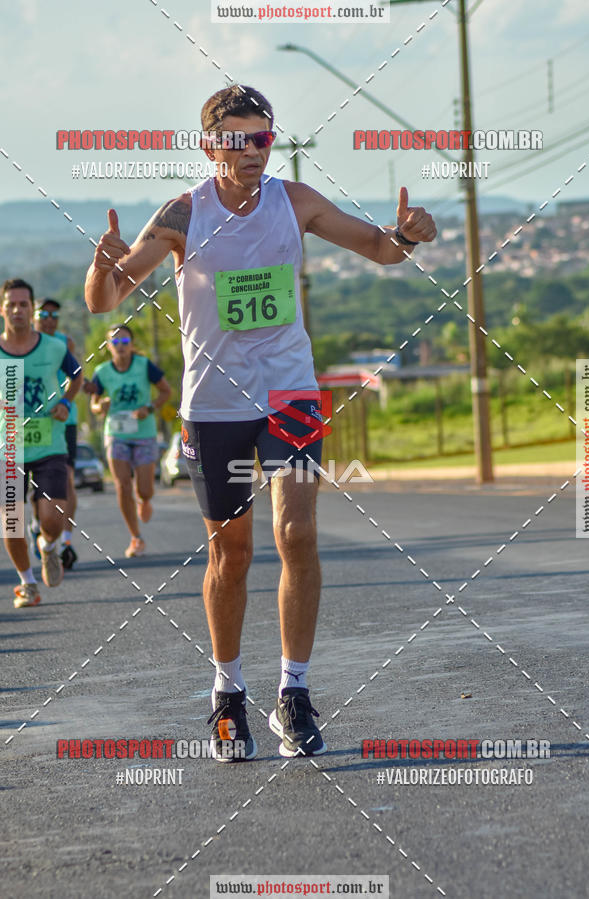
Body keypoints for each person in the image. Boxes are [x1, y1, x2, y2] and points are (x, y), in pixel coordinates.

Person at [84, 84, 436, 761]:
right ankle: (226, 693)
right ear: (210, 144)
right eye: (239, 140)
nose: (253, 153)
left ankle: (294, 693)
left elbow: (381, 248)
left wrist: (411, 236)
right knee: (231, 553)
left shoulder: (294, 201)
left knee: (297, 531)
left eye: (264, 139)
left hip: (290, 390)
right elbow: (107, 299)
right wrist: (100, 268)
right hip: (214, 402)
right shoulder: (184, 213)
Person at [0, 279, 82, 607]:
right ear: (2, 309)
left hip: (49, 445)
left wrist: (66, 402)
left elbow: (77, 377)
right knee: (11, 521)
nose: (17, 310)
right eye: (11, 304)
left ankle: (49, 547)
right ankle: (28, 584)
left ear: (30, 309)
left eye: (23, 304)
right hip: (9, 449)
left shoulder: (53, 348)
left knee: (51, 519)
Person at [89, 324, 171, 558]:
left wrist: (150, 407)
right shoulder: (102, 371)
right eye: (115, 343)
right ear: (108, 347)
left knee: (145, 490)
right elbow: (94, 404)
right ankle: (136, 537)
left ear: (132, 345)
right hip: (116, 433)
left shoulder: (144, 366)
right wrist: (99, 406)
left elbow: (166, 392)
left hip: (144, 433)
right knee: (122, 485)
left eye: (125, 342)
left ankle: (144, 500)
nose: (121, 347)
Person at [31, 298, 80, 570]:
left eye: (54, 314)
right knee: (26, 486)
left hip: (63, 420)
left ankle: (66, 542)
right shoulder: (18, 344)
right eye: (44, 314)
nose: (49, 318)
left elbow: (76, 376)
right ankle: (37, 524)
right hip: (26, 423)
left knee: (68, 481)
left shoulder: (65, 343)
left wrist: (66, 402)